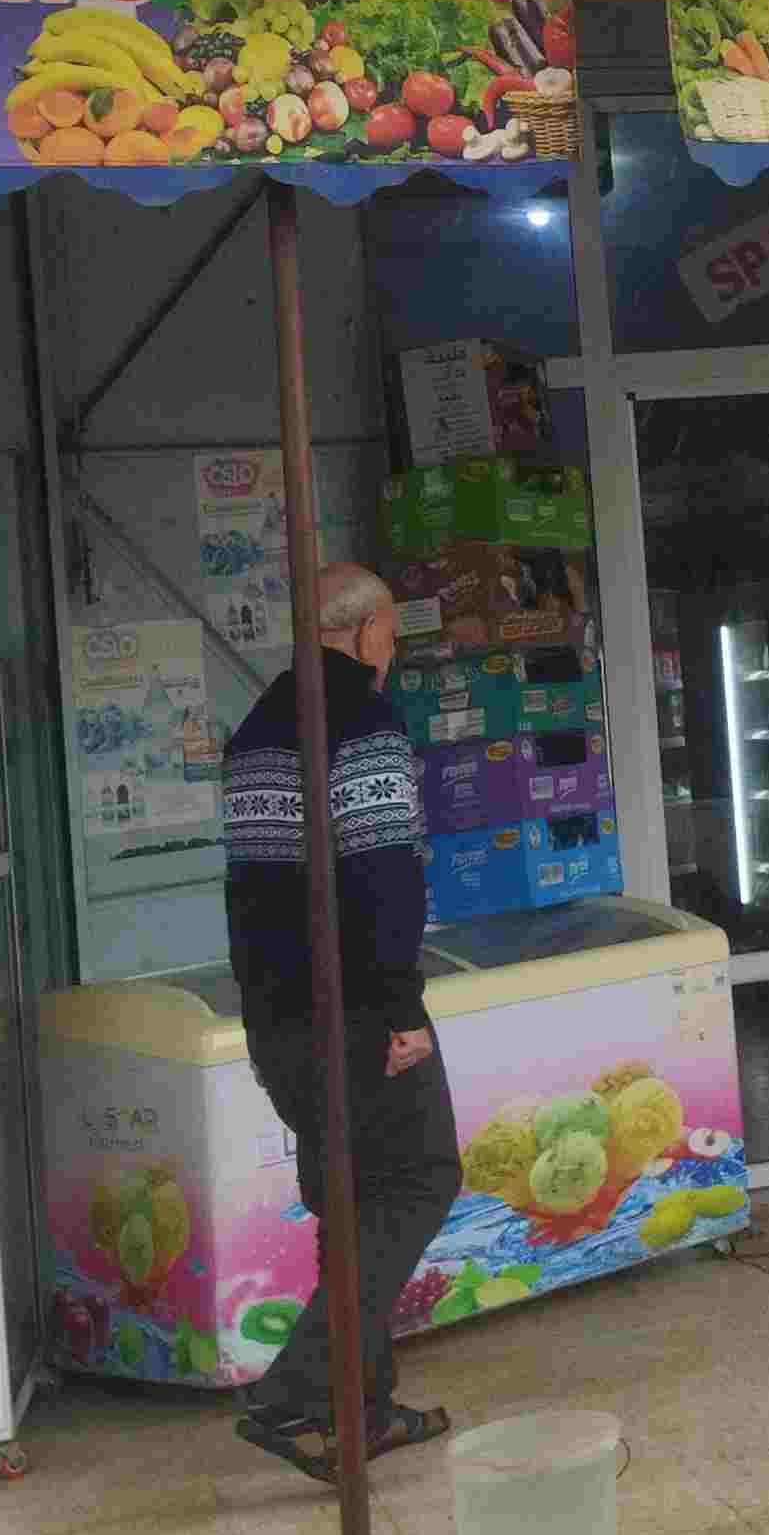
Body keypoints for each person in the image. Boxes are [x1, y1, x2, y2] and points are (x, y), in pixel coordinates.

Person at [220, 562, 459, 1481]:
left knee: (350, 1203)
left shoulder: (257, 726)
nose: (392, 649)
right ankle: (295, 1392)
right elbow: (381, 874)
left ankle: (363, 1412)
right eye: (391, 632)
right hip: (356, 1012)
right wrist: (400, 1007)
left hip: (279, 1018)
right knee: (421, 1178)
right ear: (362, 633)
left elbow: (252, 893)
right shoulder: (361, 718)